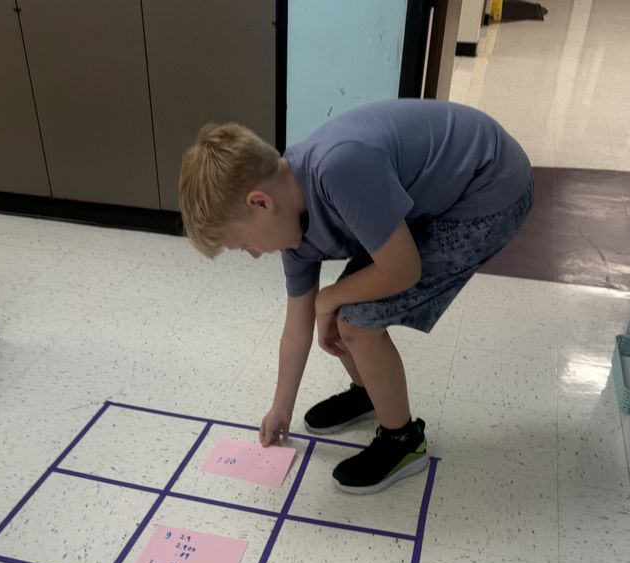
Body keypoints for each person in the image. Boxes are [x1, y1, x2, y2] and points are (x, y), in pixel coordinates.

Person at [179, 99, 533, 494]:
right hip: (445, 189)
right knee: (342, 312)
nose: (255, 254)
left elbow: (403, 269)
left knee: (355, 322)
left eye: (244, 244)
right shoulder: (292, 222)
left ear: (260, 203)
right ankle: (368, 393)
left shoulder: (339, 168)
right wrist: (281, 408)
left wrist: (328, 299)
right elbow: (296, 330)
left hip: (490, 187)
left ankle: (403, 442)